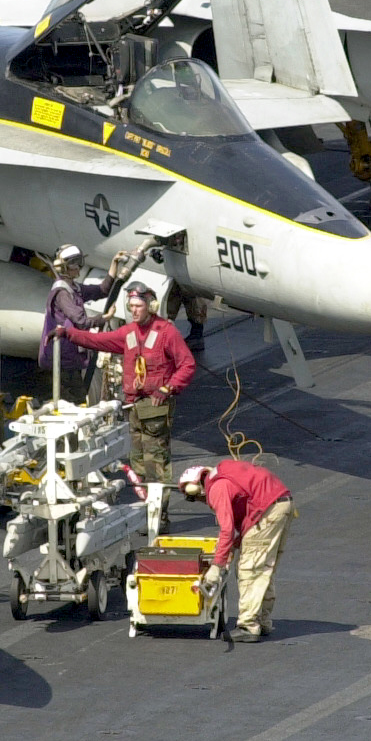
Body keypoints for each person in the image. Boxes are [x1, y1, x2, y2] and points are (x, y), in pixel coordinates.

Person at [55, 281, 196, 480]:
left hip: (155, 406)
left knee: (155, 464)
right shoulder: (129, 332)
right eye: (131, 307)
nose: (134, 311)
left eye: (138, 306)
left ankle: (158, 509)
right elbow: (98, 341)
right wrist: (68, 334)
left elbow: (187, 364)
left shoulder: (167, 333)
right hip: (133, 406)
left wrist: (167, 389)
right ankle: (145, 502)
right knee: (137, 463)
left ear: (151, 306)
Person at [178, 461, 292, 643]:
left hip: (267, 511)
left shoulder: (216, 488)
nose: (198, 501)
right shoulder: (223, 474)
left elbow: (226, 530)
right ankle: (262, 620)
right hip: (281, 504)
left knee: (250, 570)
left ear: (195, 488)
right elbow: (247, 527)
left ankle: (248, 626)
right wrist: (234, 545)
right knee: (263, 568)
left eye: (192, 497)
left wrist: (217, 565)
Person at [40, 244, 128, 383]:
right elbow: (81, 322)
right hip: (62, 358)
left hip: (71, 357)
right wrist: (105, 318)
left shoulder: (74, 288)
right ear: (64, 267)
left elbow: (102, 290)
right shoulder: (62, 293)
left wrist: (114, 264)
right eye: (74, 263)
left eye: (79, 261)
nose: (78, 266)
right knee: (73, 399)